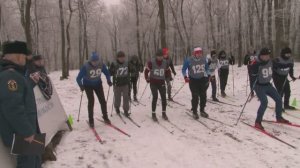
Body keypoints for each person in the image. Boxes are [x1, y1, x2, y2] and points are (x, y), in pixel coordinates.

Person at [0, 41, 42, 168]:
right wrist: (28, 132)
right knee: (28, 163)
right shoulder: (10, 76)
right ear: (18, 56)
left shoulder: (16, 74)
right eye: (24, 57)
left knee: (36, 161)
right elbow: (13, 108)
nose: (25, 60)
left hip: (28, 131)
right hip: (22, 135)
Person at [250, 48, 289, 130]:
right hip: (259, 86)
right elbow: (252, 75)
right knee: (264, 102)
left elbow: (279, 66)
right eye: (265, 56)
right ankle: (258, 122)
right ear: (261, 55)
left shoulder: (271, 61)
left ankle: (279, 117)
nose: (267, 57)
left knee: (278, 99)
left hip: (268, 85)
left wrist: (287, 65)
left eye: (268, 55)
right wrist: (252, 87)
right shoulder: (256, 63)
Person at [76, 52, 112, 127]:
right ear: (90, 60)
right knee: (91, 101)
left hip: (98, 84)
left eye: (96, 61)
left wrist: (108, 80)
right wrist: (81, 85)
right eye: (93, 61)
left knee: (102, 100)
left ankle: (105, 117)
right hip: (87, 85)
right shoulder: (86, 66)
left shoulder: (101, 64)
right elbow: (78, 78)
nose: (95, 63)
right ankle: (91, 120)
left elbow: (107, 73)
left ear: (98, 60)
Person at [182, 47, 210, 119]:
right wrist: (185, 77)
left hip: (202, 79)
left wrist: (208, 75)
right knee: (195, 96)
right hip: (193, 80)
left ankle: (202, 110)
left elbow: (207, 68)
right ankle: (194, 112)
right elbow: (184, 69)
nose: (199, 54)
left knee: (203, 96)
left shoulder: (204, 60)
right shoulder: (189, 60)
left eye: (200, 53)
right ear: (194, 53)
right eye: (198, 53)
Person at [144, 49, 171, 121]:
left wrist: (168, 78)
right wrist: (147, 78)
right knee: (155, 96)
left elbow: (168, 71)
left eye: (161, 56)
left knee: (163, 97)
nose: (160, 58)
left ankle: (164, 113)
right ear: (156, 56)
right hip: (154, 82)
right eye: (159, 56)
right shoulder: (151, 62)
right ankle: (153, 114)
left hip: (161, 82)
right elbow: (146, 71)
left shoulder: (165, 62)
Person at [109, 51, 131, 117]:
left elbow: (131, 69)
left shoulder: (127, 63)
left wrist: (133, 69)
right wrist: (113, 70)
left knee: (126, 97)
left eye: (123, 57)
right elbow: (110, 73)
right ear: (117, 58)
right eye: (120, 57)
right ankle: (117, 107)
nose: (122, 59)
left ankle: (126, 110)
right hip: (117, 83)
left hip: (125, 83)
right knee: (117, 97)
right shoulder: (114, 63)